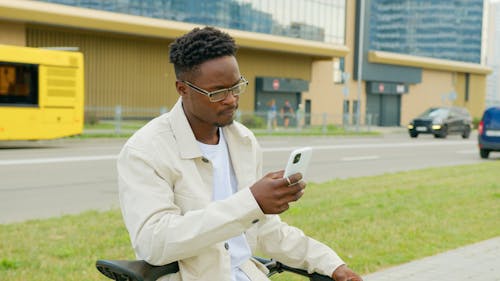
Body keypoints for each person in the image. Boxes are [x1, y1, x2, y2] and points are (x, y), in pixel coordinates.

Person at [117, 26, 362, 281]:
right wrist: (252, 202)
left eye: (236, 87)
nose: (232, 100)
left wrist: (332, 265)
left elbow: (266, 230)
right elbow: (154, 244)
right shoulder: (145, 151)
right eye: (218, 92)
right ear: (182, 89)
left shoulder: (243, 140)